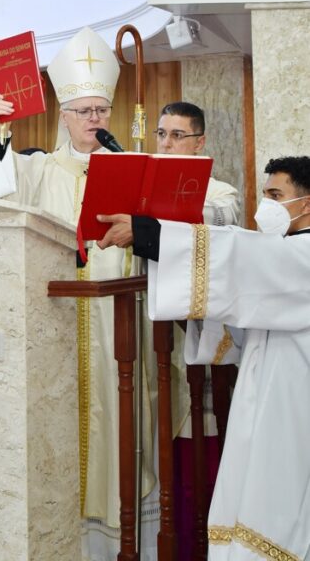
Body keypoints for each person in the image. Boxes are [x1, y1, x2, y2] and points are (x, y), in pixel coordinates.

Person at [0, 26, 160, 560]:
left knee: (116, 413)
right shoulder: (39, 168)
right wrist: (0, 135)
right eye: (85, 111)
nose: (96, 119)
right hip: (56, 319)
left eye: (101, 110)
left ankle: (121, 534)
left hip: (118, 316)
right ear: (64, 116)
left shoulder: (129, 167)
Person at [98, 156, 310, 561]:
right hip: (262, 397)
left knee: (281, 506)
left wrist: (148, 233)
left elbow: (237, 255)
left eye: (275, 195)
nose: (264, 205)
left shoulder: (300, 255)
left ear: (306, 204)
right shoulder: (283, 250)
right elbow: (243, 295)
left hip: (291, 407)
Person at [154, 102, 240, 559]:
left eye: (177, 136)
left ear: (200, 142)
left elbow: (210, 225)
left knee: (198, 460)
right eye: (161, 134)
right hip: (153, 345)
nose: (166, 144)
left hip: (198, 349)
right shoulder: (145, 186)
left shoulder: (222, 193)